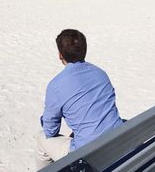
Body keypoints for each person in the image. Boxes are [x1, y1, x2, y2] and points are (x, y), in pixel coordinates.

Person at [35, 29, 123, 170]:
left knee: (41, 139)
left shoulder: (56, 85)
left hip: (88, 157)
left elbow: (50, 131)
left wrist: (45, 119)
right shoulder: (101, 74)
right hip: (119, 142)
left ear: (60, 55)